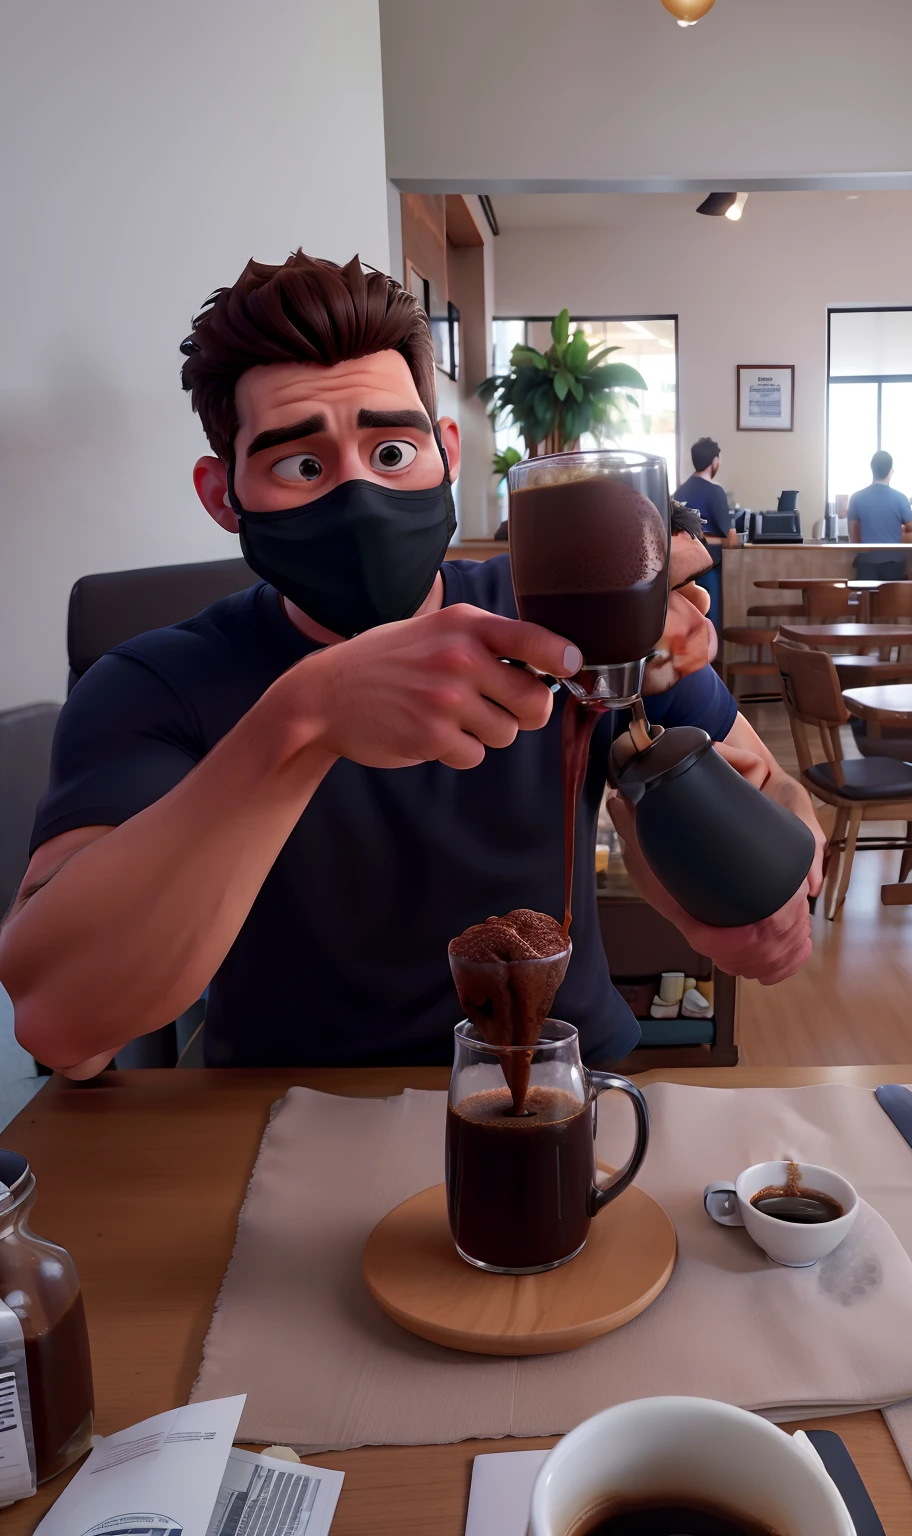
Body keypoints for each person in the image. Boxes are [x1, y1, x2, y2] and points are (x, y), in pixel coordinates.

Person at [0, 252, 823, 1079]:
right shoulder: (153, 683)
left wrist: (763, 879)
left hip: (566, 1092)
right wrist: (307, 718)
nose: (359, 494)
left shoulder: (552, 611)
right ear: (222, 495)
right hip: (277, 1121)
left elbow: (758, 789)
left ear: (447, 452)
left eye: (392, 451)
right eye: (301, 465)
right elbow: (61, 1021)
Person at [673, 437, 738, 617]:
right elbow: (731, 541)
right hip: (706, 571)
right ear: (715, 461)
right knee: (709, 623)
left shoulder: (679, 492)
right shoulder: (714, 491)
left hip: (679, 574)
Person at [846, 450, 912, 580]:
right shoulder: (900, 498)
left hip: (866, 565)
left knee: (866, 599)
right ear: (891, 471)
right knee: (890, 600)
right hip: (893, 566)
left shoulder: (856, 498)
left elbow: (854, 540)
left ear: (871, 469)